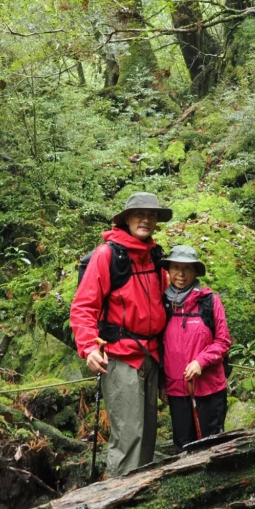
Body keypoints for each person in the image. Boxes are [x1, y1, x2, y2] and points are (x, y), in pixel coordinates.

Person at [69, 192, 171, 476]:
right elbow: (83, 306)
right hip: (121, 357)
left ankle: (142, 498)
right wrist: (89, 346)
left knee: (148, 435)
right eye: (140, 214)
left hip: (151, 357)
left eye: (151, 215)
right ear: (126, 219)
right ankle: (119, 500)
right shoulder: (108, 255)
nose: (146, 220)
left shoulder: (155, 257)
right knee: (128, 439)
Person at [160, 245, 231, 452]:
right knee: (183, 447)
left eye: (187, 269)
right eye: (175, 268)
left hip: (209, 388)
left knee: (211, 446)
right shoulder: (162, 304)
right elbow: (159, 346)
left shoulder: (209, 301)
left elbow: (223, 341)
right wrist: (162, 383)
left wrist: (201, 361)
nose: (180, 274)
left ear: (195, 272)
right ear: (169, 270)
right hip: (177, 390)